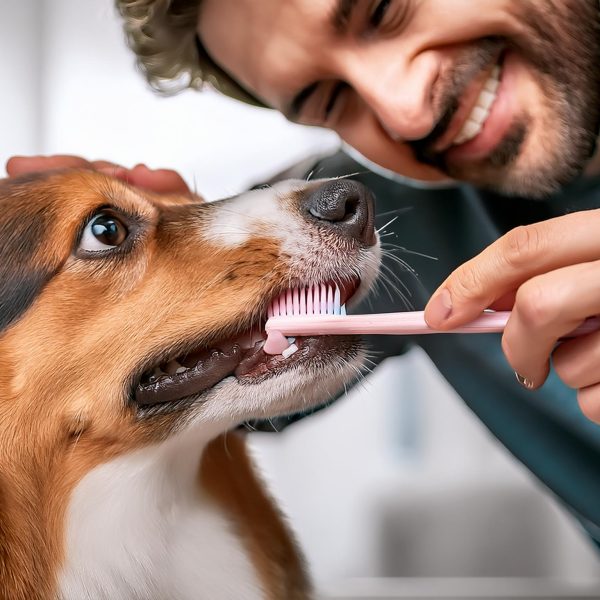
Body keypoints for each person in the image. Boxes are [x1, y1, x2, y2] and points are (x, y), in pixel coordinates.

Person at [8, 0, 600, 549]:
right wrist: (173, 226)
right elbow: (204, 370)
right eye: (329, 97)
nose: (407, 111)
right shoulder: (406, 204)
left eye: (384, 9)